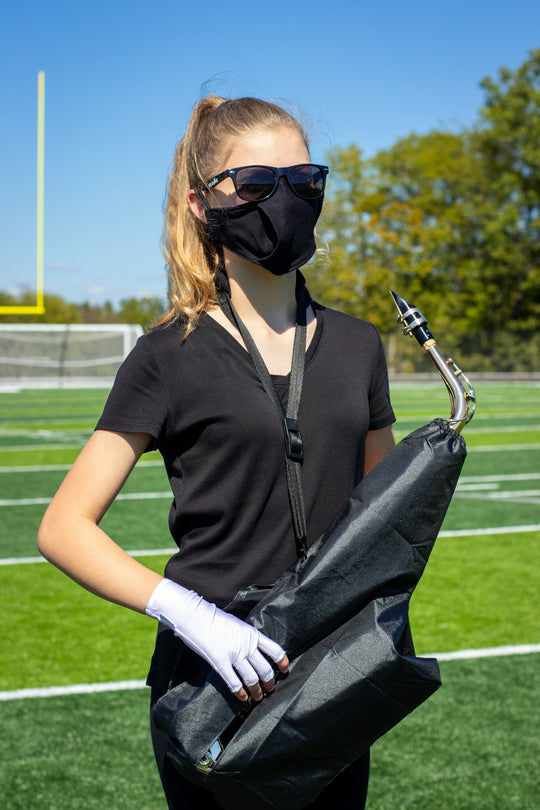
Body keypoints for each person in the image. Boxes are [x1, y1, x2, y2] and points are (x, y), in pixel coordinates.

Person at [38, 95, 396, 810]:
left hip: (330, 684)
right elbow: (62, 528)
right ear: (204, 204)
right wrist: (191, 615)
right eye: (257, 183)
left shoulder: (359, 345)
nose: (285, 201)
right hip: (208, 688)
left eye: (305, 180)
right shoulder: (166, 353)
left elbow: (380, 517)